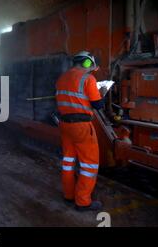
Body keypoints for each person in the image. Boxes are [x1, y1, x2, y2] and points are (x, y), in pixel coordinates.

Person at [55, 51, 108, 211]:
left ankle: (68, 195)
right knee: (89, 165)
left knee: (68, 162)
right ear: (86, 63)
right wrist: (103, 94)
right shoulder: (88, 78)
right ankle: (83, 202)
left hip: (65, 124)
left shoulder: (61, 78)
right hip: (82, 126)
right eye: (91, 66)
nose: (92, 69)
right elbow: (98, 105)